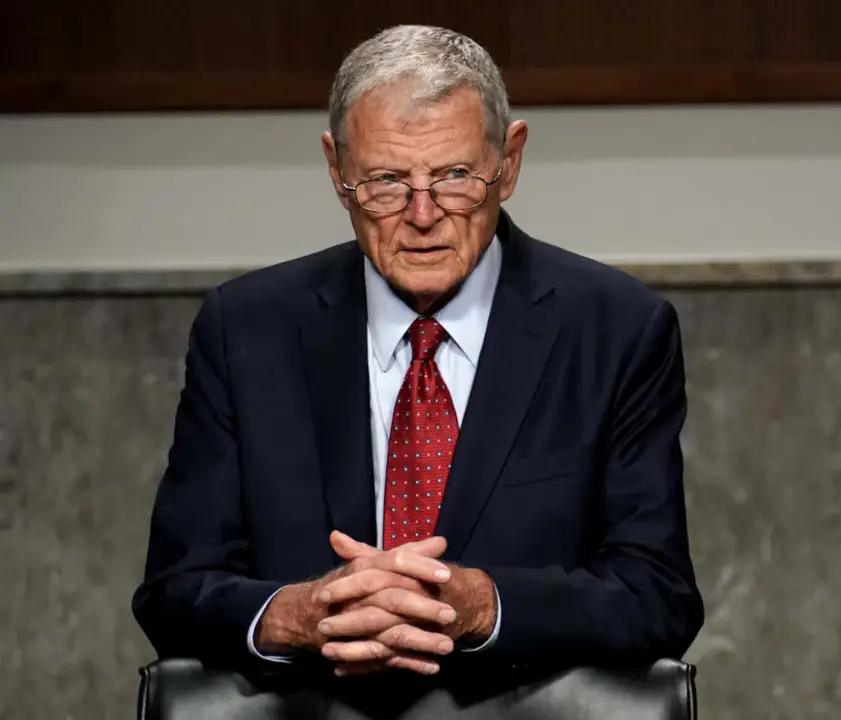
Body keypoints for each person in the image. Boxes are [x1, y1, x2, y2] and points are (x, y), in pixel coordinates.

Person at [131, 23, 703, 698]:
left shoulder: (617, 328)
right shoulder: (246, 328)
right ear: (337, 170)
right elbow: (174, 591)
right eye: (386, 181)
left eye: (456, 176)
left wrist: (482, 605)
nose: (423, 213)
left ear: (510, 162)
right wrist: (296, 616)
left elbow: (657, 596)